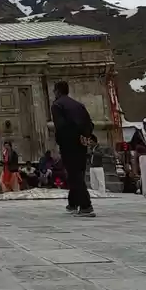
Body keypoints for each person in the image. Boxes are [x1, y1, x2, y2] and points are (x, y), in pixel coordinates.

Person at [51, 80, 97, 216]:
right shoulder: (78, 105)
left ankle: (86, 206)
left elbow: (61, 126)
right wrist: (85, 136)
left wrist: (62, 142)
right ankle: (73, 203)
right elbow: (90, 124)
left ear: (57, 91)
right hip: (82, 143)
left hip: (69, 144)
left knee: (74, 175)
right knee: (77, 173)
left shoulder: (57, 105)